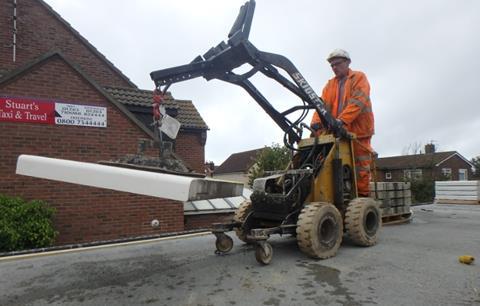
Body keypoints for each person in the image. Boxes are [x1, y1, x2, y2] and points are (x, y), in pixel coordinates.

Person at [310, 49, 374, 197]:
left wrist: (341, 121)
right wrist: (316, 124)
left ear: (347, 62)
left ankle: (363, 197)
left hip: (358, 132)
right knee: (328, 163)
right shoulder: (329, 85)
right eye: (331, 65)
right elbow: (321, 107)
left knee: (360, 165)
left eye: (337, 64)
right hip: (336, 132)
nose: (334, 67)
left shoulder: (358, 78)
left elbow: (357, 101)